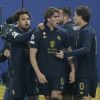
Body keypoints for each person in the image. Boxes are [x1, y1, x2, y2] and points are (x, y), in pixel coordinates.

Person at [30, 7, 75, 100]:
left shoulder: (63, 33)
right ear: (48, 18)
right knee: (48, 97)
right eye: (55, 17)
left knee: (56, 96)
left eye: (59, 16)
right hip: (43, 74)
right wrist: (38, 73)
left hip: (59, 73)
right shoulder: (38, 32)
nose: (58, 19)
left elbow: (70, 52)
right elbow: (32, 55)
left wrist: (73, 70)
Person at [56, 6, 98, 100]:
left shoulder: (86, 31)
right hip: (85, 71)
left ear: (81, 17)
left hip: (86, 73)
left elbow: (86, 48)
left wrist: (66, 54)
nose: (74, 17)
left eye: (75, 16)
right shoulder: (84, 30)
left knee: (84, 97)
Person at [6, 9, 38, 100]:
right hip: (18, 76)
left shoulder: (34, 34)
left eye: (28, 19)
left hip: (32, 75)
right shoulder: (12, 32)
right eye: (23, 19)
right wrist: (37, 30)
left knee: (33, 97)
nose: (26, 21)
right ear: (17, 22)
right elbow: (20, 38)